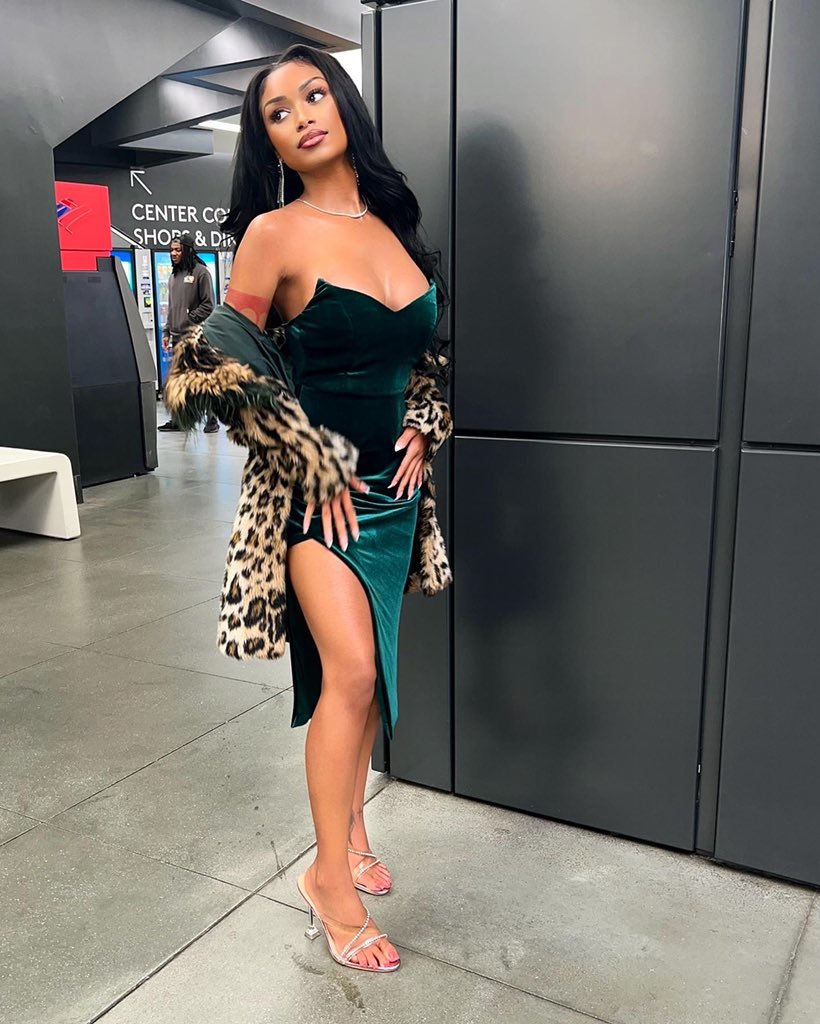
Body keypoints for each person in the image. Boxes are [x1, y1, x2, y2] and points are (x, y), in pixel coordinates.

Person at [163, 44, 452, 973]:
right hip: (315, 503)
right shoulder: (272, 235)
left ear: (343, 105)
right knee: (352, 674)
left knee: (363, 684)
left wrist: (425, 421)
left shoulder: (394, 225)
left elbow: (424, 353)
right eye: (277, 113)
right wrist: (307, 456)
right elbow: (209, 366)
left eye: (313, 95)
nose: (300, 117)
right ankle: (328, 877)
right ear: (270, 144)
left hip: (395, 503)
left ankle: (354, 833)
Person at [158, 233, 217, 432]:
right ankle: (179, 420)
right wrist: (167, 331)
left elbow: (208, 304)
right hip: (177, 337)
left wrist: (189, 319)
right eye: (171, 250)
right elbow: (172, 307)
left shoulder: (201, 273)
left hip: (196, 336)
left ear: (187, 250)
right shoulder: (173, 276)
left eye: (178, 250)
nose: (173, 253)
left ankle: (212, 419)